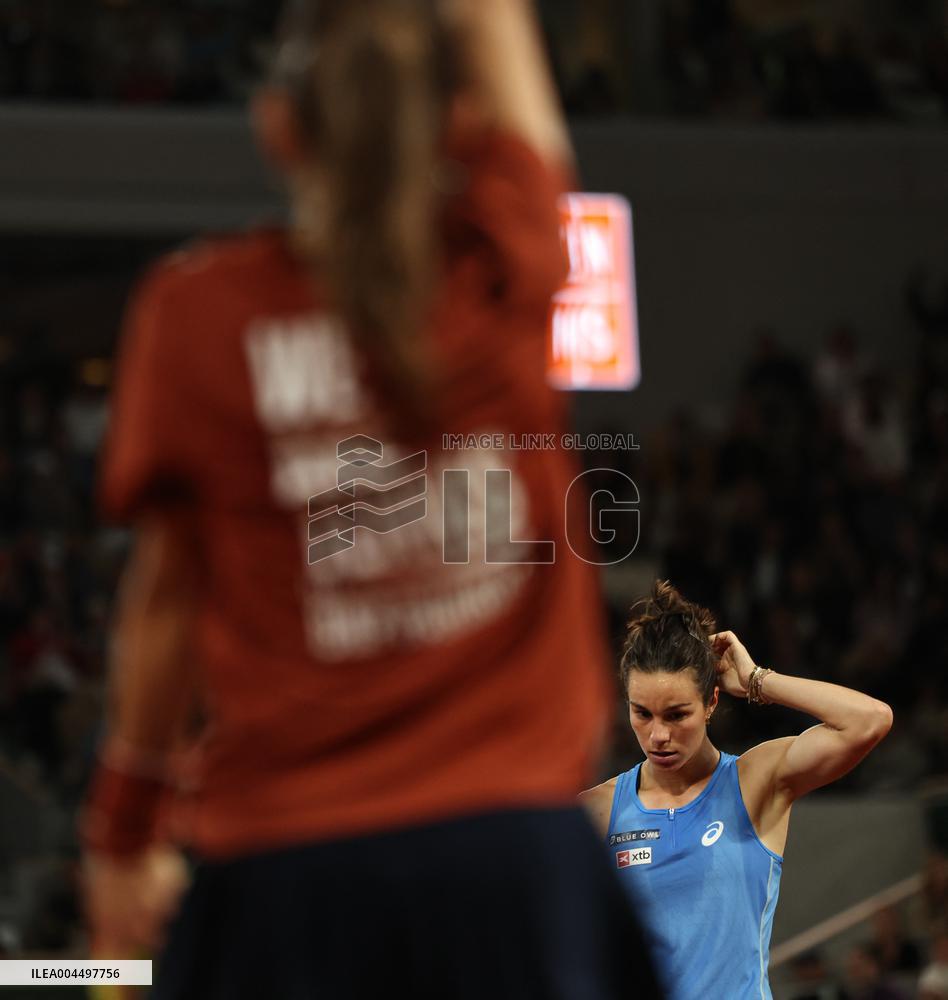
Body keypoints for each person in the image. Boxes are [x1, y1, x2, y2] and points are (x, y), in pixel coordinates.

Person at [79, 1, 663, 998]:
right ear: (462, 124)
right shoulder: (504, 263)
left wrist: (125, 832)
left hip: (283, 872)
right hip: (511, 864)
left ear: (276, 128)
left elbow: (166, 597)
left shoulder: (195, 313)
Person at [581, 580, 893, 1000]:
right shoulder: (598, 810)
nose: (657, 735)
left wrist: (757, 681)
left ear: (711, 702)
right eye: (642, 713)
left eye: (677, 714)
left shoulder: (756, 780)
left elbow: (870, 720)